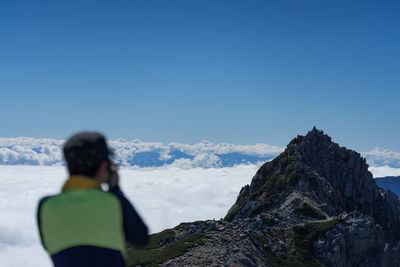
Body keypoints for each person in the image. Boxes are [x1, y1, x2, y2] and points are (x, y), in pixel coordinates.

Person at [37, 132, 148, 267]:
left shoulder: (46, 206)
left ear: (68, 167)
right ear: (103, 167)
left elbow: (47, 244)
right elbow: (140, 238)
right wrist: (115, 189)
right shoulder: (114, 203)